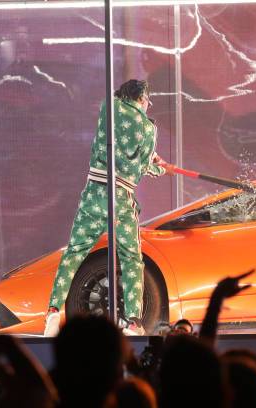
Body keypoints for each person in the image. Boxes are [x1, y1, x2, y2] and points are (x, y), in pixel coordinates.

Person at [44, 79, 171, 337]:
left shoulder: (108, 107)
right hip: (120, 197)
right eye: (148, 102)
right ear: (143, 99)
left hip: (94, 192)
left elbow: (120, 146)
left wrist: (151, 160)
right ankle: (133, 322)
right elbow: (139, 166)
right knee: (131, 258)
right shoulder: (148, 128)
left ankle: (53, 312)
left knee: (75, 252)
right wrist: (159, 167)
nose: (148, 107)